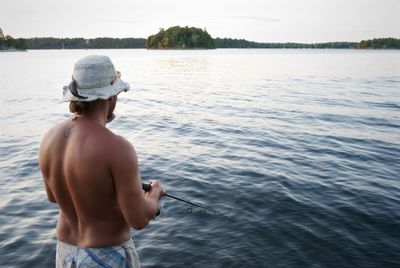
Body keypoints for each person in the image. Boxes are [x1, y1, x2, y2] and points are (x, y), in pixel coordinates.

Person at [39, 55, 164, 268]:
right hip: (106, 256)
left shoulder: (49, 138)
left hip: (65, 253)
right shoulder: (117, 148)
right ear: (111, 97)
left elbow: (53, 197)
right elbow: (138, 219)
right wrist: (154, 195)